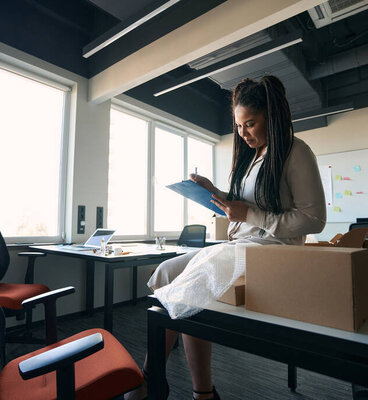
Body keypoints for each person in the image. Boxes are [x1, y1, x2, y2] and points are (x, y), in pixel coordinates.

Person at [125, 75, 326, 400]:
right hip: (242, 245)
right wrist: (214, 193)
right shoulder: (254, 159)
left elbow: (314, 220)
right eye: (239, 126)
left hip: (273, 251)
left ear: (270, 118)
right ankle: (190, 388)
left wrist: (248, 215)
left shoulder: (295, 151)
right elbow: (246, 209)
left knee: (184, 281)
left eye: (250, 123)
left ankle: (160, 381)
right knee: (168, 275)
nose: (243, 133)